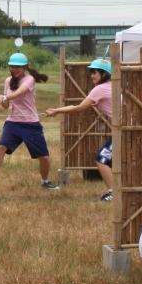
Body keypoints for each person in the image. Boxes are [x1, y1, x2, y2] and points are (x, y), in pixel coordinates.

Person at [0, 52, 59, 190]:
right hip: (12, 122)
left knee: (44, 157)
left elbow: (19, 93)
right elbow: (6, 106)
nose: (13, 69)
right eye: (11, 66)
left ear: (24, 67)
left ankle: (45, 182)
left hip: (30, 124)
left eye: (17, 67)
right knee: (0, 148)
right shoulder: (8, 81)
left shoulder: (29, 79)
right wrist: (1, 101)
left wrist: (5, 96)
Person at [45, 58, 115, 201]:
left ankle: (114, 192)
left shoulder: (100, 89)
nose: (91, 76)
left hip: (123, 131)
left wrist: (57, 111)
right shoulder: (112, 86)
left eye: (94, 73)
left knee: (102, 159)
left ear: (104, 74)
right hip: (126, 128)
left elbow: (79, 108)